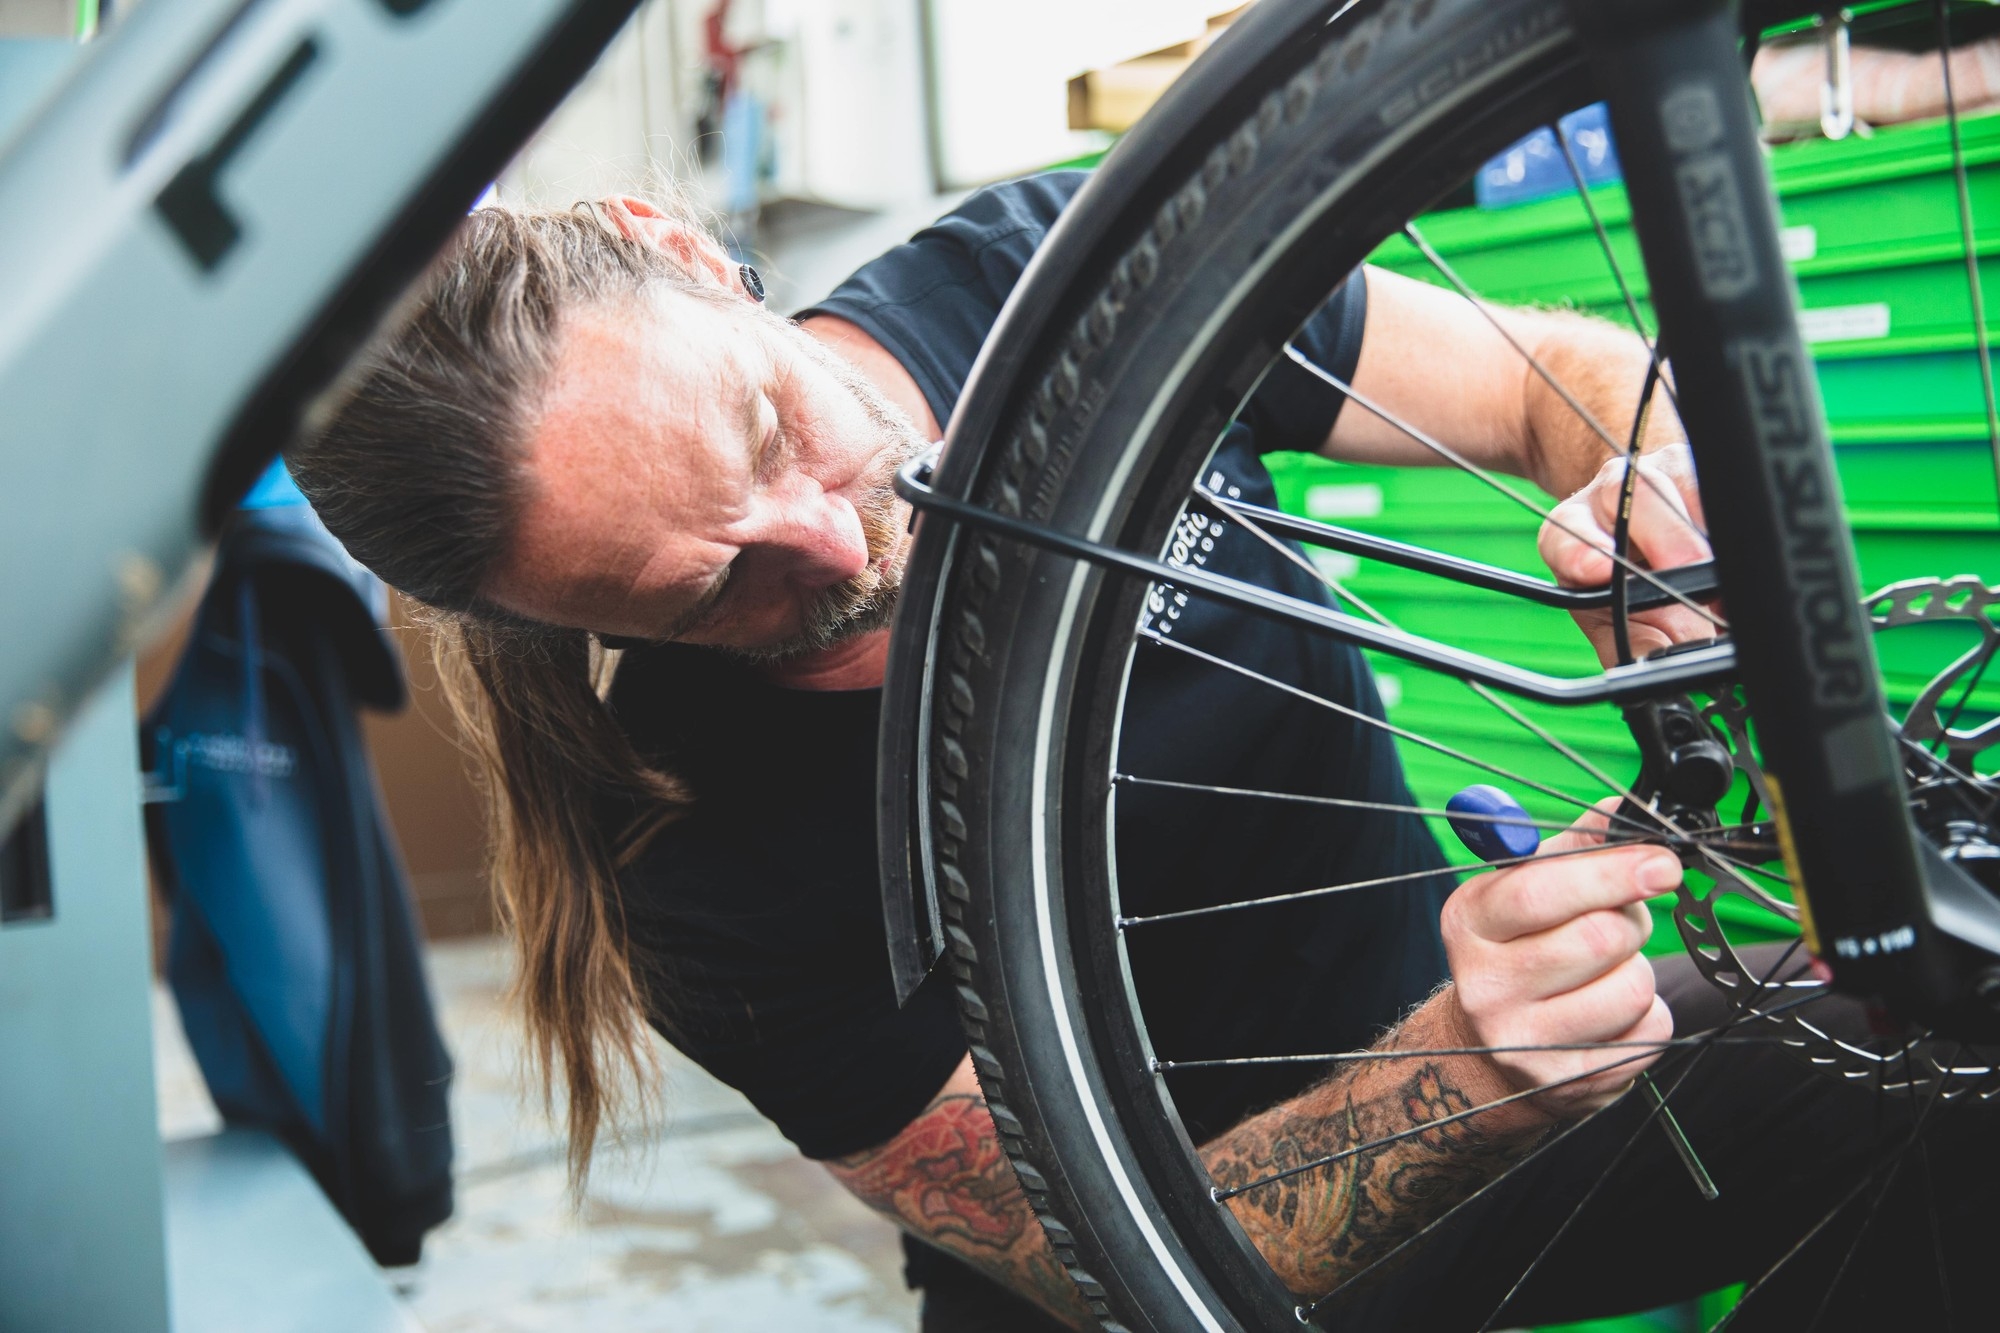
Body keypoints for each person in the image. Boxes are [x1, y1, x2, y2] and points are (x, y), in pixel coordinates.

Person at [289, 173, 1981, 1331]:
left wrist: (1649, 515)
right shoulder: (686, 866)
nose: (834, 537)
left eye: (764, 424)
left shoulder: (1034, 282)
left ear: (669, 240)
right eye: (715, 591)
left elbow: (1561, 379)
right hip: (1227, 1253)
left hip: (1528, 1081)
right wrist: (1457, 1068)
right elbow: (1104, 1262)